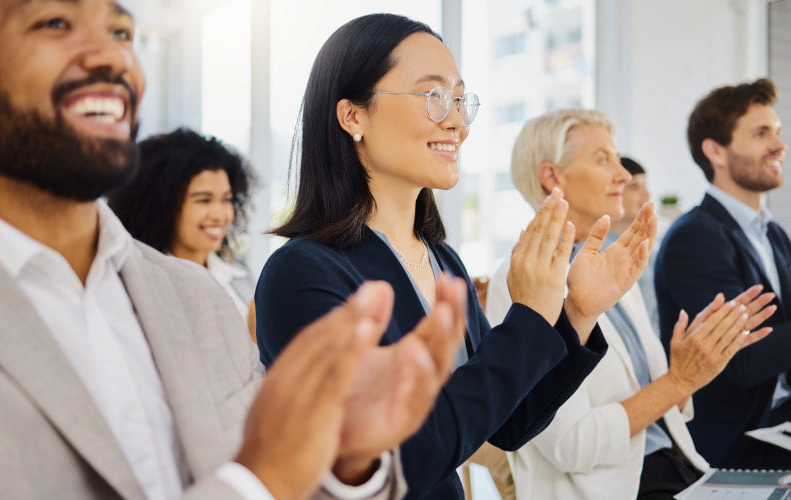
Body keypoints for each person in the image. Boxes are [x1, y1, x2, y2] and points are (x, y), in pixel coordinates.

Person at [0, 1, 469, 498]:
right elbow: (264, 476)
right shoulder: (302, 268)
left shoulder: (196, 298)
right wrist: (256, 481)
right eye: (55, 22)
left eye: (121, 33)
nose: (112, 57)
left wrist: (348, 462)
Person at [254, 13, 657, 500]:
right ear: (352, 116)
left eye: (461, 100)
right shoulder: (301, 272)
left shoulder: (441, 260)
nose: (458, 123)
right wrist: (528, 319)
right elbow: (399, 460)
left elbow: (506, 424)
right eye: (434, 96)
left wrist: (576, 313)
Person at [485, 108, 776, 499]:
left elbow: (662, 403)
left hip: (680, 466)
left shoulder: (615, 259)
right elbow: (572, 446)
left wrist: (693, 364)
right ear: (552, 176)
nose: (623, 174)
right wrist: (678, 381)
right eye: (604, 159)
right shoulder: (522, 279)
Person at [655, 78, 791, 468]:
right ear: (715, 151)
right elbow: (741, 360)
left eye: (778, 132)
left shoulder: (771, 233)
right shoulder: (695, 238)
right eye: (761, 133)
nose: (780, 145)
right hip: (735, 440)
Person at [108, 128, 258, 336]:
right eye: (204, 200)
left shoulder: (241, 276)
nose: (220, 215)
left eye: (226, 199)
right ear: (164, 205)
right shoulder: (135, 284)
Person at [610, 157, 660, 333]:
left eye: (644, 185)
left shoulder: (650, 243)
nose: (645, 194)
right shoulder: (602, 251)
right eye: (634, 187)